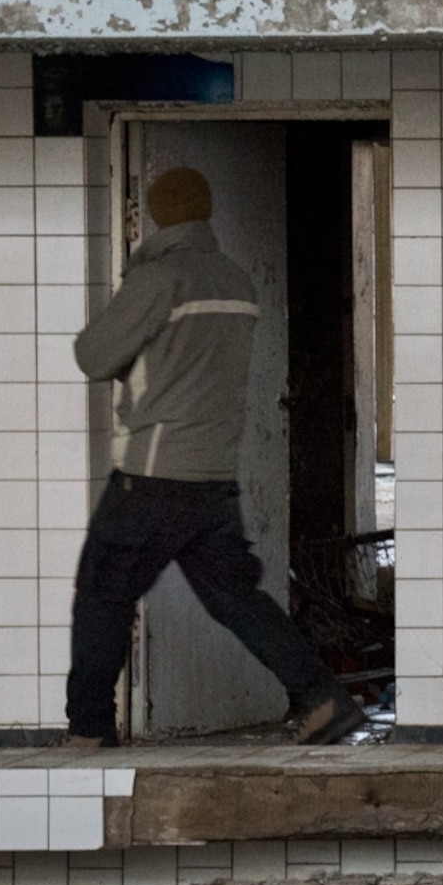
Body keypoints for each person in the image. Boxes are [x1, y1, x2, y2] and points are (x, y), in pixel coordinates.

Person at [63, 167, 361, 750]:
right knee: (237, 599)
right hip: (213, 479)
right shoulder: (236, 280)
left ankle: (88, 727)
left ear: (157, 214)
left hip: (152, 474)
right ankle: (322, 698)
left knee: (103, 592)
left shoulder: (159, 279)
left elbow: (93, 355)